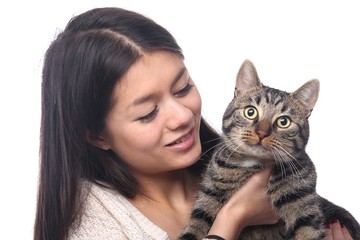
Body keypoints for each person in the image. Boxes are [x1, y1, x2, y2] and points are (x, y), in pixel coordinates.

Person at [34, 7, 353, 240]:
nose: (183, 116)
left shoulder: (241, 166)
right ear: (96, 135)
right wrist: (232, 219)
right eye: (148, 112)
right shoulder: (93, 221)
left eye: (183, 88)